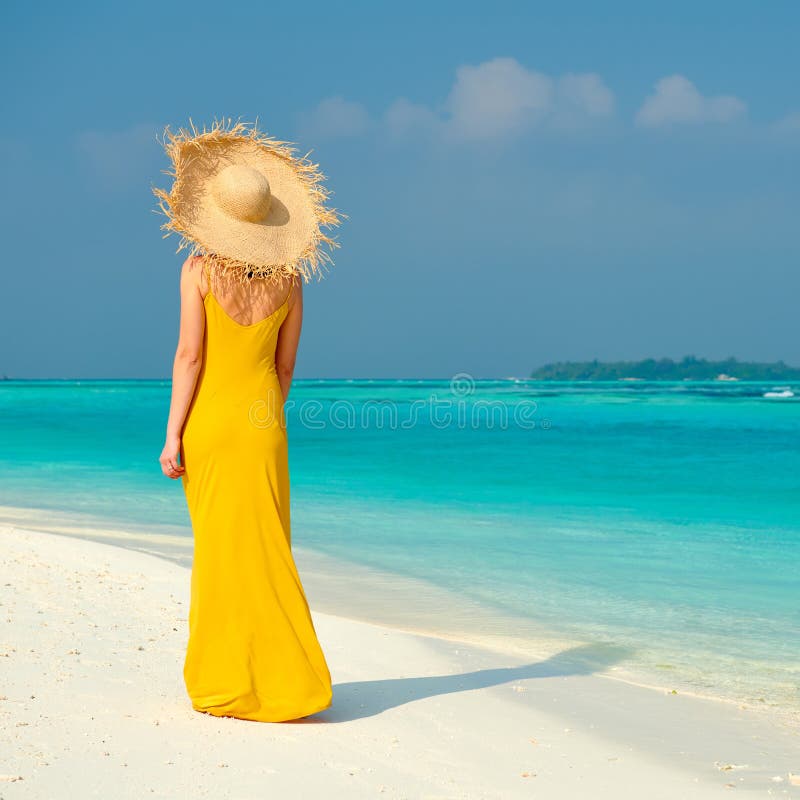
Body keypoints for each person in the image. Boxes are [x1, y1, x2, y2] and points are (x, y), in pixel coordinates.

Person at [152, 118, 342, 722]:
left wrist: (173, 433)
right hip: (264, 426)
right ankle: (291, 683)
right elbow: (285, 369)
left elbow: (189, 356)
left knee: (219, 552)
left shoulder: (198, 272)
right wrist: (264, 417)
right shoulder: (289, 279)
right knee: (268, 548)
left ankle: (224, 679)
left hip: (210, 424)